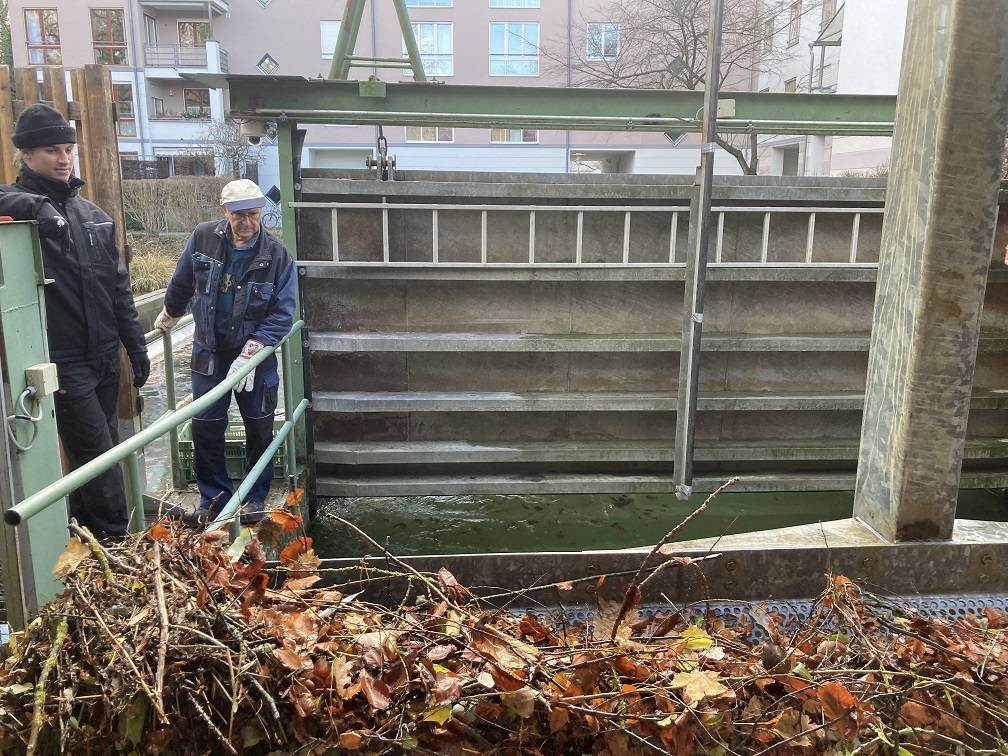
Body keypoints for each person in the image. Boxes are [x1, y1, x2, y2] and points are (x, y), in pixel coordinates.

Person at [0, 103, 149, 540]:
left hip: (103, 357)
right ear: (26, 155)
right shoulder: (22, 210)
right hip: (65, 362)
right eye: (51, 150)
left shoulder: (94, 217)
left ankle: (87, 537)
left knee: (94, 455)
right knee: (101, 456)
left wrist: (136, 348)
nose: (64, 159)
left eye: (68, 149)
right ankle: (118, 544)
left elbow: (119, 288)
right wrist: (37, 207)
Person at [157, 179, 296, 525]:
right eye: (238, 216)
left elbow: (282, 314)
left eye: (252, 215)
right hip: (209, 352)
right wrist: (171, 313)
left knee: (260, 426)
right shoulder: (203, 237)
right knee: (206, 424)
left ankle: (254, 497)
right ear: (225, 212)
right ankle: (212, 498)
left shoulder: (277, 256)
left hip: (255, 356)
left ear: (261, 212)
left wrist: (252, 352)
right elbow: (183, 280)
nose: (246, 223)